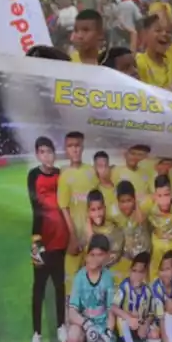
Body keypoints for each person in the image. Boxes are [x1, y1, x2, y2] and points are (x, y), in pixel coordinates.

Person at [27, 136, 68, 342]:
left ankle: (61, 326)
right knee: (39, 287)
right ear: (37, 155)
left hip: (60, 237)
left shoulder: (61, 174)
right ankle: (36, 334)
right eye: (42, 152)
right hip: (40, 238)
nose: (46, 156)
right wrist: (37, 241)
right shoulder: (33, 175)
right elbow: (35, 207)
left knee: (59, 284)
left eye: (49, 151)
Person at [65, 233, 121, 342]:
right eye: (92, 254)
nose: (95, 259)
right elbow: (72, 312)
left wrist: (107, 333)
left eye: (100, 255)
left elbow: (110, 310)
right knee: (72, 336)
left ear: (107, 256)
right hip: (84, 325)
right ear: (87, 255)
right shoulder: (79, 277)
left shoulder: (108, 278)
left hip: (101, 325)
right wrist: (87, 325)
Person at [57, 131, 97, 327]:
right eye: (71, 145)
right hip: (73, 237)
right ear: (66, 149)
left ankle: (91, 326)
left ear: (83, 147)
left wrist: (93, 234)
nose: (75, 149)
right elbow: (64, 207)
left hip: (91, 236)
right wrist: (72, 236)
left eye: (78, 145)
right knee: (72, 283)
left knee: (92, 279)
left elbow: (97, 204)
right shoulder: (64, 175)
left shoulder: (91, 172)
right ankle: (71, 327)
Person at [113, 253, 157, 342]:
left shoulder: (147, 290)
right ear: (130, 270)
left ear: (145, 273)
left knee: (155, 335)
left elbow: (152, 312)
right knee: (121, 320)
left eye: (140, 272)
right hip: (126, 324)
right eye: (134, 271)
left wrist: (146, 324)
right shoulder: (124, 287)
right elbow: (113, 306)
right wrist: (128, 317)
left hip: (140, 323)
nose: (136, 275)